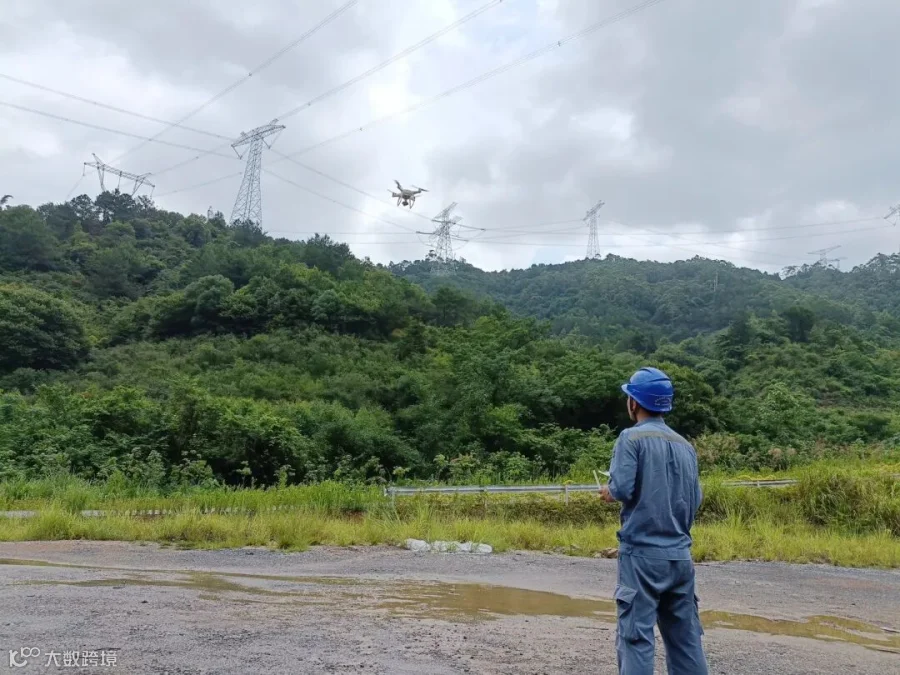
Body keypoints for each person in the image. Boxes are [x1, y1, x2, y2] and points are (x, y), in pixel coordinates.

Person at [599, 367, 709, 675]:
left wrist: (608, 491)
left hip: (642, 557)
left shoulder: (630, 438)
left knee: (636, 638)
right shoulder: (686, 446)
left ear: (634, 402)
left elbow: (622, 488)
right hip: (680, 557)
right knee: (686, 641)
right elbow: (696, 498)